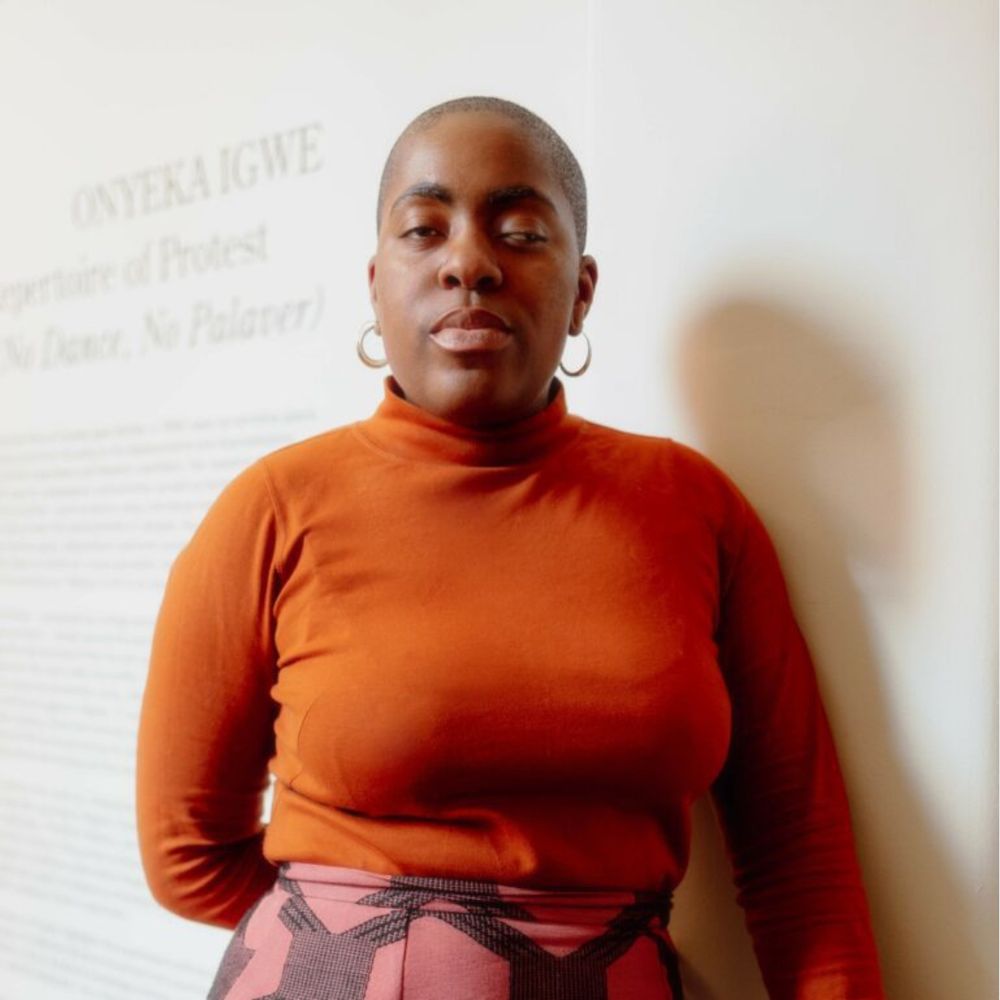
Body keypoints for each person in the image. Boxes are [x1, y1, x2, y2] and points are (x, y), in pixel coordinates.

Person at [136, 96, 885, 999]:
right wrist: (356, 945)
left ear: (583, 291)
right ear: (376, 282)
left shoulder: (695, 508)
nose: (469, 264)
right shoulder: (273, 508)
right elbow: (187, 855)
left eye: (522, 231)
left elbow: (799, 866)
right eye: (424, 228)